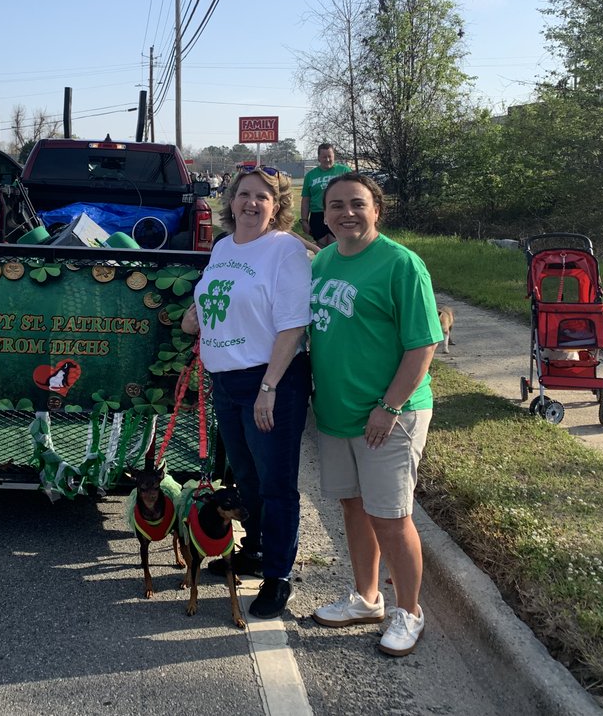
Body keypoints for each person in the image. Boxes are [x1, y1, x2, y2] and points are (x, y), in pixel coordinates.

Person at [307, 173, 442, 656]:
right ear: (324, 215)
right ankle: (366, 599)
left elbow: (423, 344)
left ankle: (410, 612)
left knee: (391, 517)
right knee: (353, 507)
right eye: (336, 205)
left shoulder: (401, 264)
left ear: (376, 210)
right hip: (337, 412)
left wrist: (389, 407)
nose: (347, 213)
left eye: (357, 204)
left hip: (389, 415)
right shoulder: (323, 261)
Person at [181, 165, 312, 619]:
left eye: (262, 197)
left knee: (276, 484)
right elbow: (219, 302)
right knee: (246, 478)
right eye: (244, 194)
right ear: (231, 200)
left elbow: (293, 325)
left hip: (271, 381)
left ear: (277, 206)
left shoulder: (285, 249)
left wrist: (269, 387)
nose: (251, 203)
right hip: (226, 382)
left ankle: (277, 576)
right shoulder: (222, 246)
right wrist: (194, 318)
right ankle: (252, 550)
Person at [300, 143, 351, 248]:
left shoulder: (344, 171)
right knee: (321, 246)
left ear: (334, 156)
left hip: (338, 212)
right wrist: (304, 220)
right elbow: (306, 199)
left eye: (329, 156)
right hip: (317, 214)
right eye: (324, 157)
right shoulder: (310, 175)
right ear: (319, 158)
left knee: (336, 245)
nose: (327, 160)